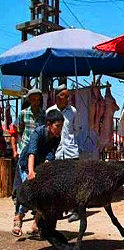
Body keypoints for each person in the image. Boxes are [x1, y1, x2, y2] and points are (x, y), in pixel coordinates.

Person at [12, 109, 64, 237]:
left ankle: (35, 224)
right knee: (28, 194)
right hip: (26, 165)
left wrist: (46, 169)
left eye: (61, 126)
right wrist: (31, 173)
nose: (59, 129)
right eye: (57, 126)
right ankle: (18, 218)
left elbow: (51, 155)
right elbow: (32, 153)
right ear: (48, 124)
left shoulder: (57, 138)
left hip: (39, 166)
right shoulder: (37, 133)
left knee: (44, 194)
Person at [11, 89, 45, 237]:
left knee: (40, 189)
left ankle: (35, 223)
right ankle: (18, 219)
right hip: (25, 155)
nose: (36, 102)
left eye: (39, 99)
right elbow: (18, 131)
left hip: (38, 156)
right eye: (34, 99)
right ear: (30, 100)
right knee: (27, 188)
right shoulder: (23, 114)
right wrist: (16, 149)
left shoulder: (44, 115)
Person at [46, 84, 80, 222]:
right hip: (57, 152)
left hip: (71, 150)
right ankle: (59, 209)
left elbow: (76, 129)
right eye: (63, 96)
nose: (66, 98)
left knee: (74, 182)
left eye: (68, 96)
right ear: (56, 96)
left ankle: (76, 210)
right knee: (58, 182)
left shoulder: (73, 111)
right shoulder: (50, 111)